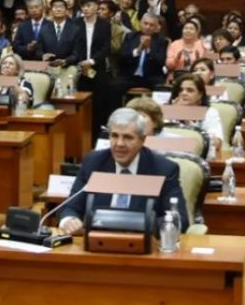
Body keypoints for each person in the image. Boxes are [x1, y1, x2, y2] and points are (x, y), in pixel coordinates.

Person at [57, 108, 188, 235]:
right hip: (98, 242)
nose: (119, 144)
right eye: (114, 136)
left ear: (142, 140)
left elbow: (179, 220)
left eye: (128, 137)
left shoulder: (163, 169)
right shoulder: (93, 163)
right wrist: (69, 220)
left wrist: (132, 225)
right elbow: (70, 208)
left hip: (143, 245)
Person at [169, 73, 226, 154]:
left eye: (190, 90)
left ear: (200, 94)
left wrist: (187, 119)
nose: (184, 93)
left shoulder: (209, 113)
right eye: (181, 90)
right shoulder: (168, 110)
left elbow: (217, 143)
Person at [116, 12, 168, 93]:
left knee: (162, 89)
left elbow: (160, 62)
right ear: (140, 23)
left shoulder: (162, 41)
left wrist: (148, 50)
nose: (148, 27)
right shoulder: (130, 37)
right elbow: (121, 58)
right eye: (145, 23)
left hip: (151, 76)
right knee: (114, 86)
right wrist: (138, 50)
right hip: (130, 75)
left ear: (156, 27)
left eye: (151, 25)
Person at [39, 0, 79, 68]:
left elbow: (77, 53)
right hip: (48, 67)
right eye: (55, 7)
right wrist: (42, 55)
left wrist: (66, 61)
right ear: (51, 11)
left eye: (61, 6)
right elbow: (38, 51)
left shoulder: (75, 29)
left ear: (66, 11)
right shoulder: (44, 29)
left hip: (68, 67)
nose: (58, 9)